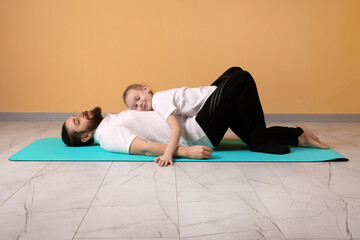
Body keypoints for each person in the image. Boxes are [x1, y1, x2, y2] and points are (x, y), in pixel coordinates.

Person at [61, 67, 328, 167]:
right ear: (86, 136)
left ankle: (297, 135)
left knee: (233, 74)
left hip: (194, 121)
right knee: (240, 79)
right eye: (77, 121)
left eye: (75, 115)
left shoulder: (109, 118)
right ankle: (260, 141)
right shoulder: (107, 135)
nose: (80, 115)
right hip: (197, 132)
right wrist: (185, 154)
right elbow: (144, 148)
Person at [123, 83, 217, 167]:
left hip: (212, 97)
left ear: (145, 88)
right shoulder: (159, 100)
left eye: (138, 98)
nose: (139, 104)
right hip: (210, 96)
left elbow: (176, 128)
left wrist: (167, 154)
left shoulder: (159, 101)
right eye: (135, 106)